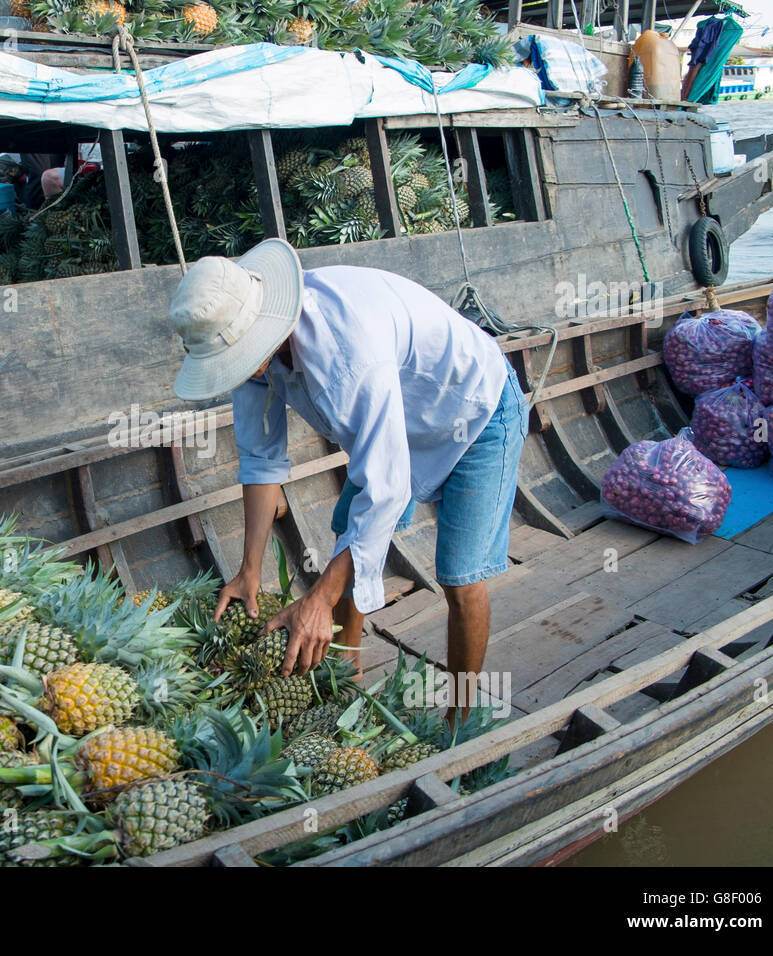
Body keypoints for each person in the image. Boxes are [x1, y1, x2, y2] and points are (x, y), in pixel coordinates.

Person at [167, 238, 527, 722]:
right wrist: (248, 569)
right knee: (349, 539)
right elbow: (260, 459)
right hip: (391, 418)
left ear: (258, 332)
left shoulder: (347, 357)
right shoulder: (252, 356)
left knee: (460, 578)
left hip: (474, 408)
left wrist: (319, 597)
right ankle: (346, 686)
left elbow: (388, 489)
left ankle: (458, 722)